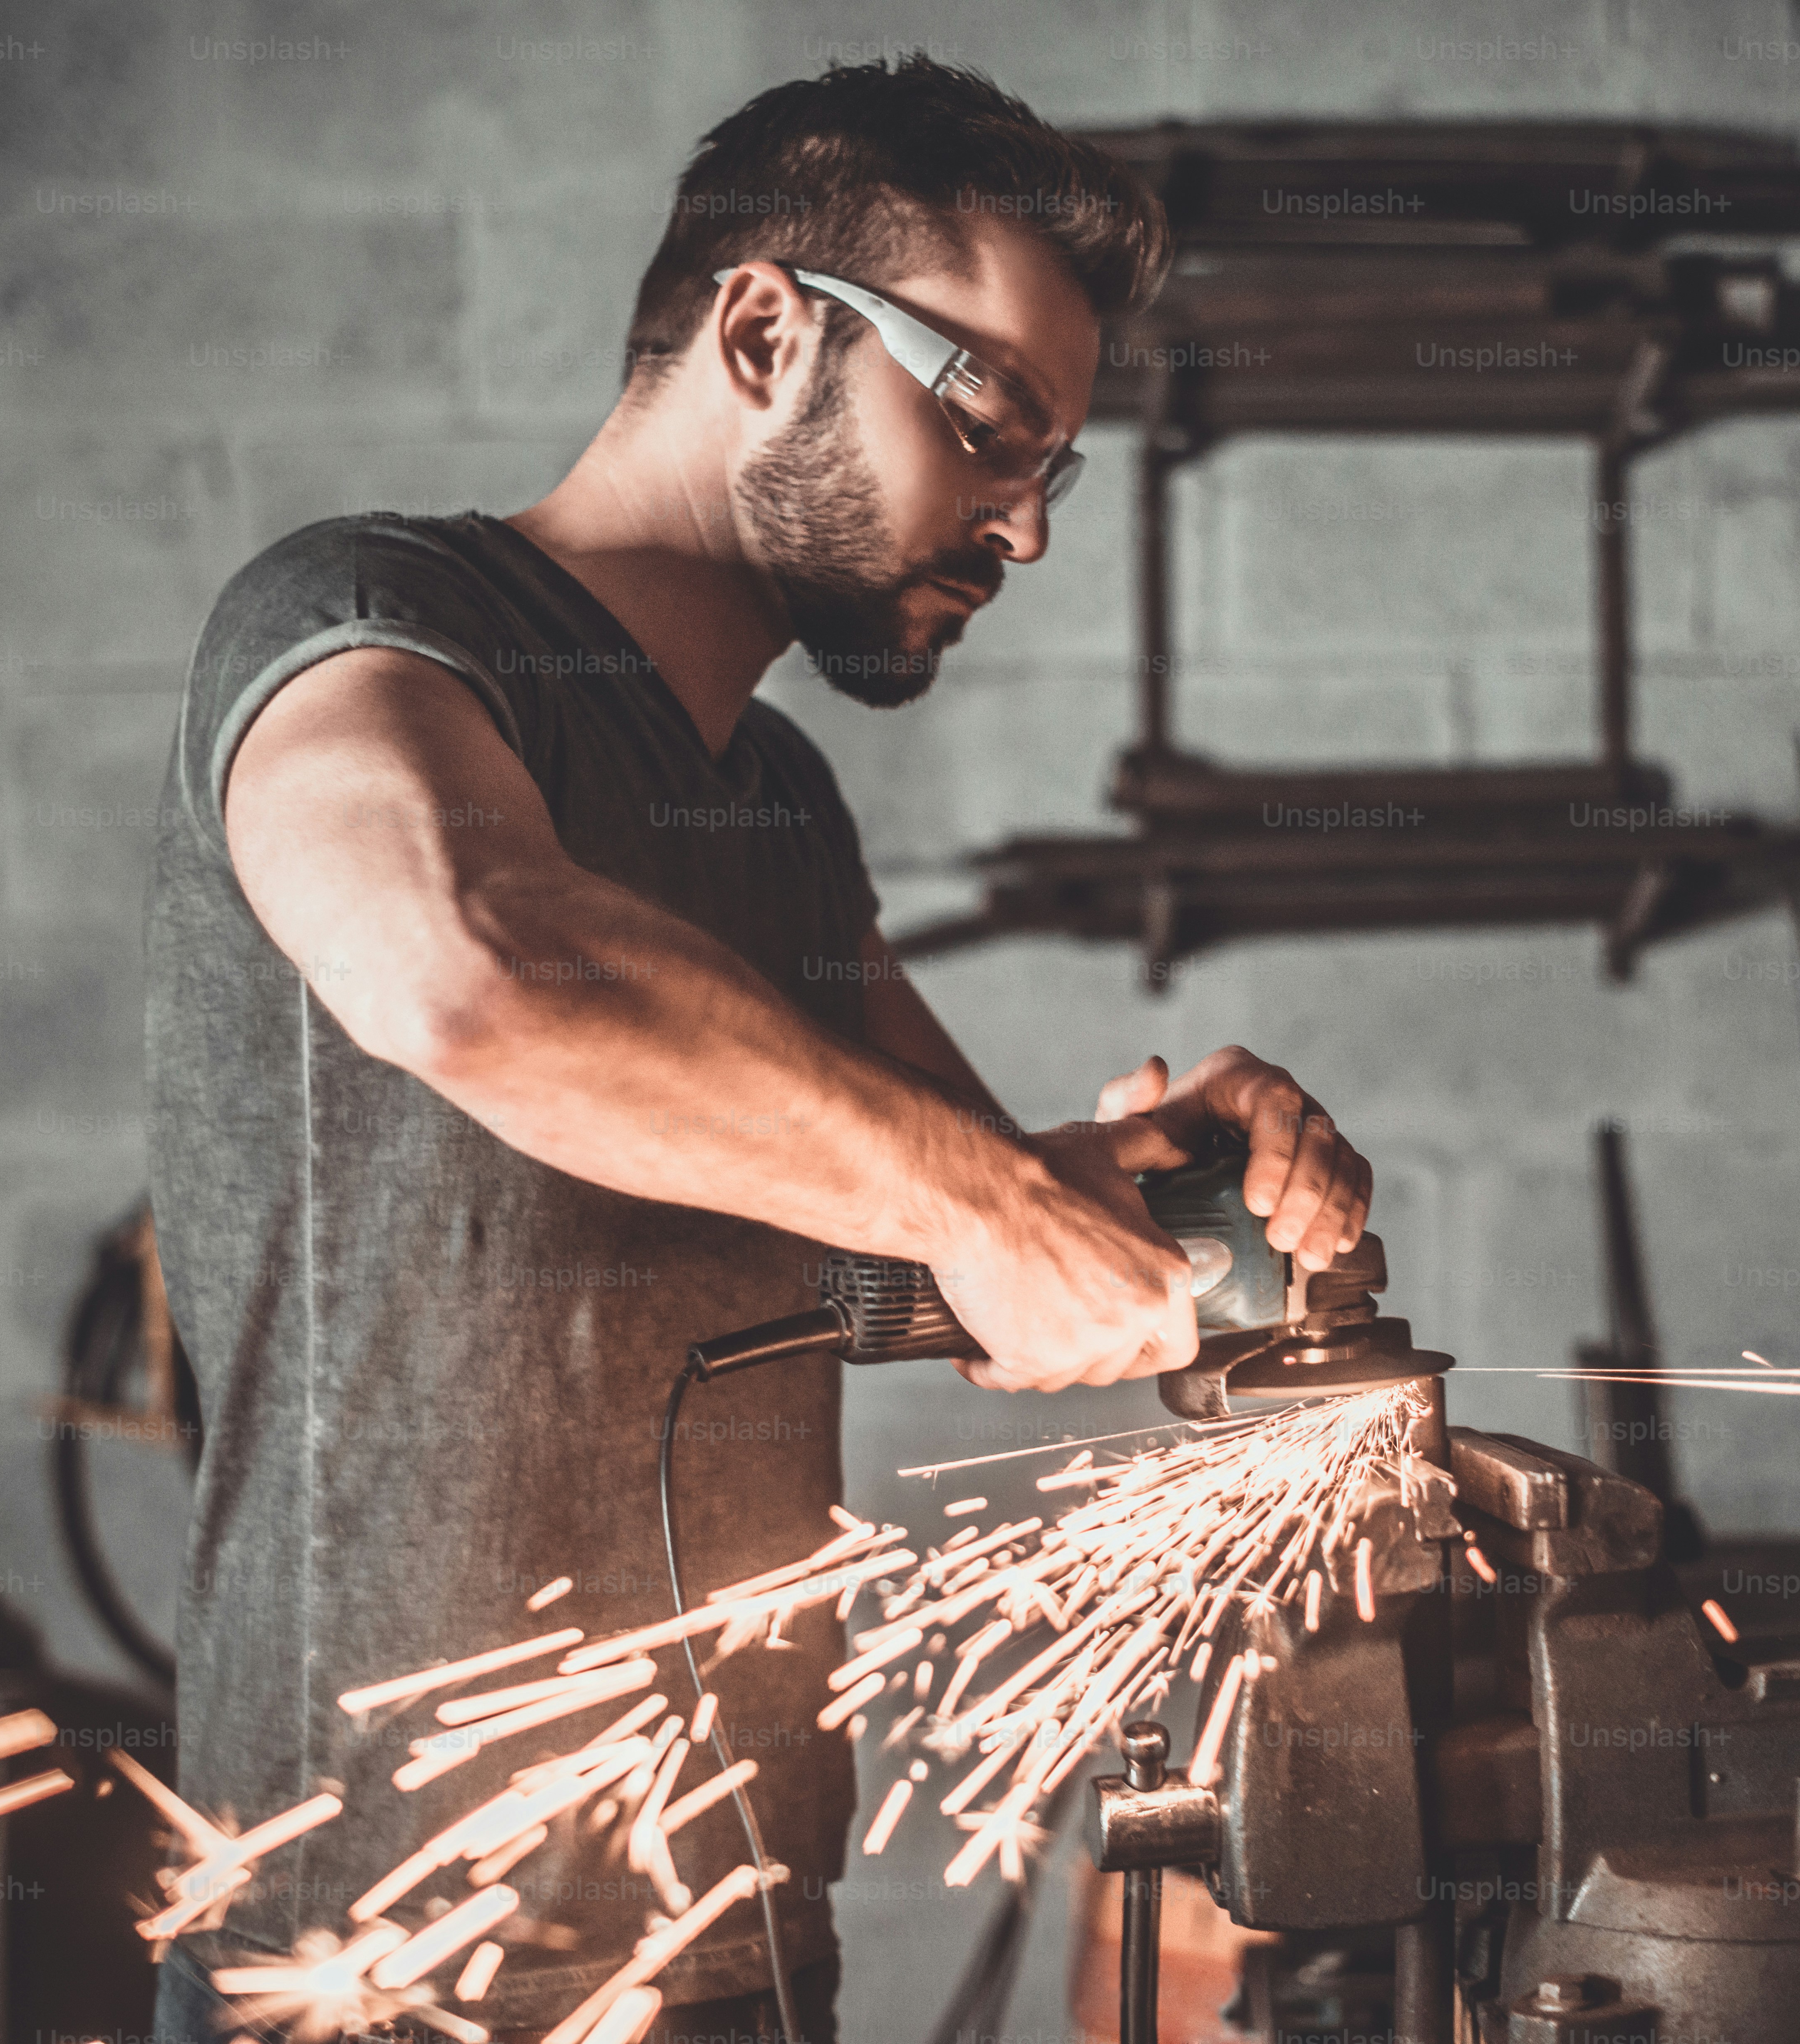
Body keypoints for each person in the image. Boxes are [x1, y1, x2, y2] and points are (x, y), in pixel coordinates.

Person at [144, 56, 1373, 2043]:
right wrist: (982, 1199)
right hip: (388, 1955)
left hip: (733, 1923)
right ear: (763, 327)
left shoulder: (777, 799)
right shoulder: (372, 625)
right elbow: (468, 969)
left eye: (1052, 469)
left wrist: (1171, 1195)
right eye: (987, 424)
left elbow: (943, 1244)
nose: (1025, 528)